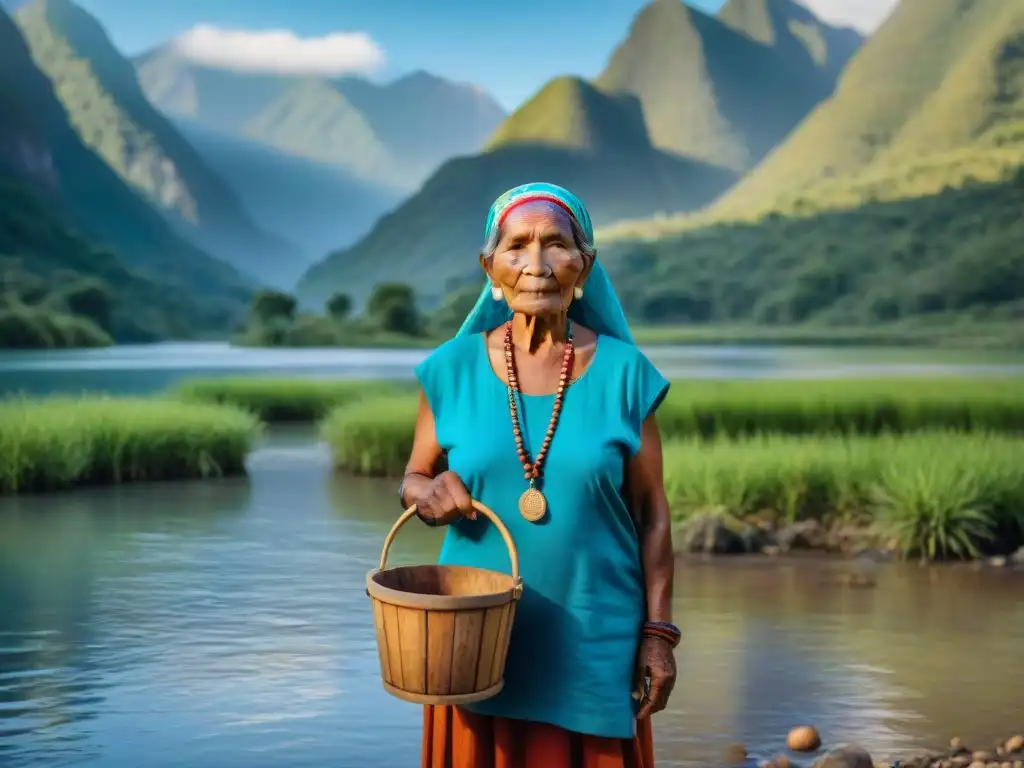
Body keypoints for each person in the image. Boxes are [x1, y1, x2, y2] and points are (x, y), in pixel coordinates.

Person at [400, 182, 677, 768]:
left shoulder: (628, 375)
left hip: (596, 633)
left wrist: (658, 635)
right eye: (517, 245)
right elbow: (414, 477)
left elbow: (652, 513)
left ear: (585, 264)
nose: (536, 263)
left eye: (556, 244)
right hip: (471, 638)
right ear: (490, 267)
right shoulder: (449, 371)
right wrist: (428, 494)